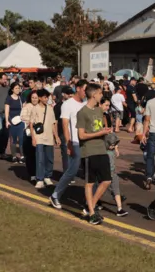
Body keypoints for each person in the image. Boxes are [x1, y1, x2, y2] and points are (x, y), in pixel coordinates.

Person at [76, 83, 113, 225]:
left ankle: (90, 205)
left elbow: (99, 128)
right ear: (93, 94)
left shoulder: (99, 111)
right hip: (89, 152)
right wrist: (100, 133)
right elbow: (81, 135)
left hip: (101, 149)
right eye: (100, 93)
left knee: (107, 180)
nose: (101, 96)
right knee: (89, 183)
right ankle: (92, 213)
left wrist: (106, 133)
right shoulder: (82, 112)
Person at [49, 80, 87, 211]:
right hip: (74, 142)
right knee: (72, 171)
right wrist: (68, 142)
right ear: (78, 88)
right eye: (84, 89)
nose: (86, 93)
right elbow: (65, 124)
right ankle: (55, 195)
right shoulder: (67, 104)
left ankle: (89, 201)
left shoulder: (86, 104)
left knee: (91, 172)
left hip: (86, 142)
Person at [32, 89, 57, 189]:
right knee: (40, 159)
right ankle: (40, 179)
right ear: (40, 98)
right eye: (45, 97)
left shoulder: (50, 109)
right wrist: (33, 138)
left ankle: (47, 176)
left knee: (49, 158)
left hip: (49, 137)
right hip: (39, 137)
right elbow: (31, 124)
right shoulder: (35, 108)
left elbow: (53, 123)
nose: (46, 99)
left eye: (47, 97)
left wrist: (56, 136)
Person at [5, 82, 25, 163]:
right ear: (12, 89)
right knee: (13, 139)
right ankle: (13, 156)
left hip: (20, 121)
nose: (18, 90)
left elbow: (24, 109)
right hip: (12, 122)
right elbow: (7, 110)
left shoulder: (21, 98)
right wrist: (7, 121)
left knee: (21, 139)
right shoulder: (9, 98)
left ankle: (22, 155)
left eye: (19, 88)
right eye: (16, 88)